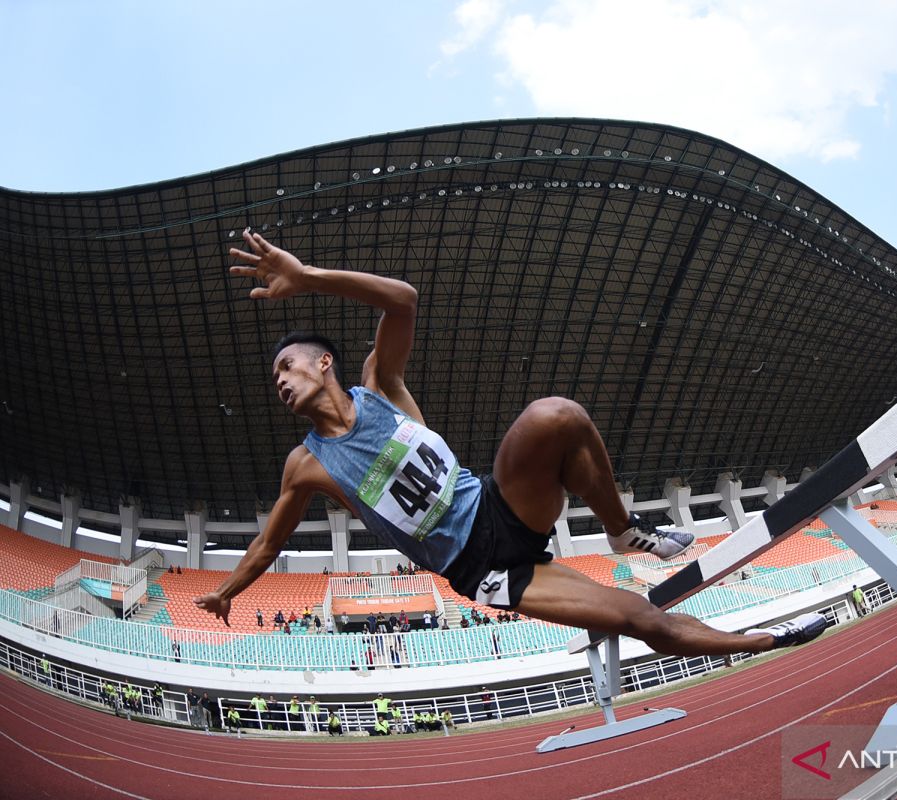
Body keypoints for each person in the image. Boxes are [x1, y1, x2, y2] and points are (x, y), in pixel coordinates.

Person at [193, 231, 825, 657]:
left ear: (322, 363)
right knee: (639, 618)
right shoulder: (307, 464)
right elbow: (267, 543)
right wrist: (228, 592)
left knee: (557, 415)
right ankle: (771, 640)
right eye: (274, 377)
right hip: (484, 569)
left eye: (286, 368)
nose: (278, 382)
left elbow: (404, 302)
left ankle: (623, 531)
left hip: (497, 506)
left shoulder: (378, 386)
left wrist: (307, 278)